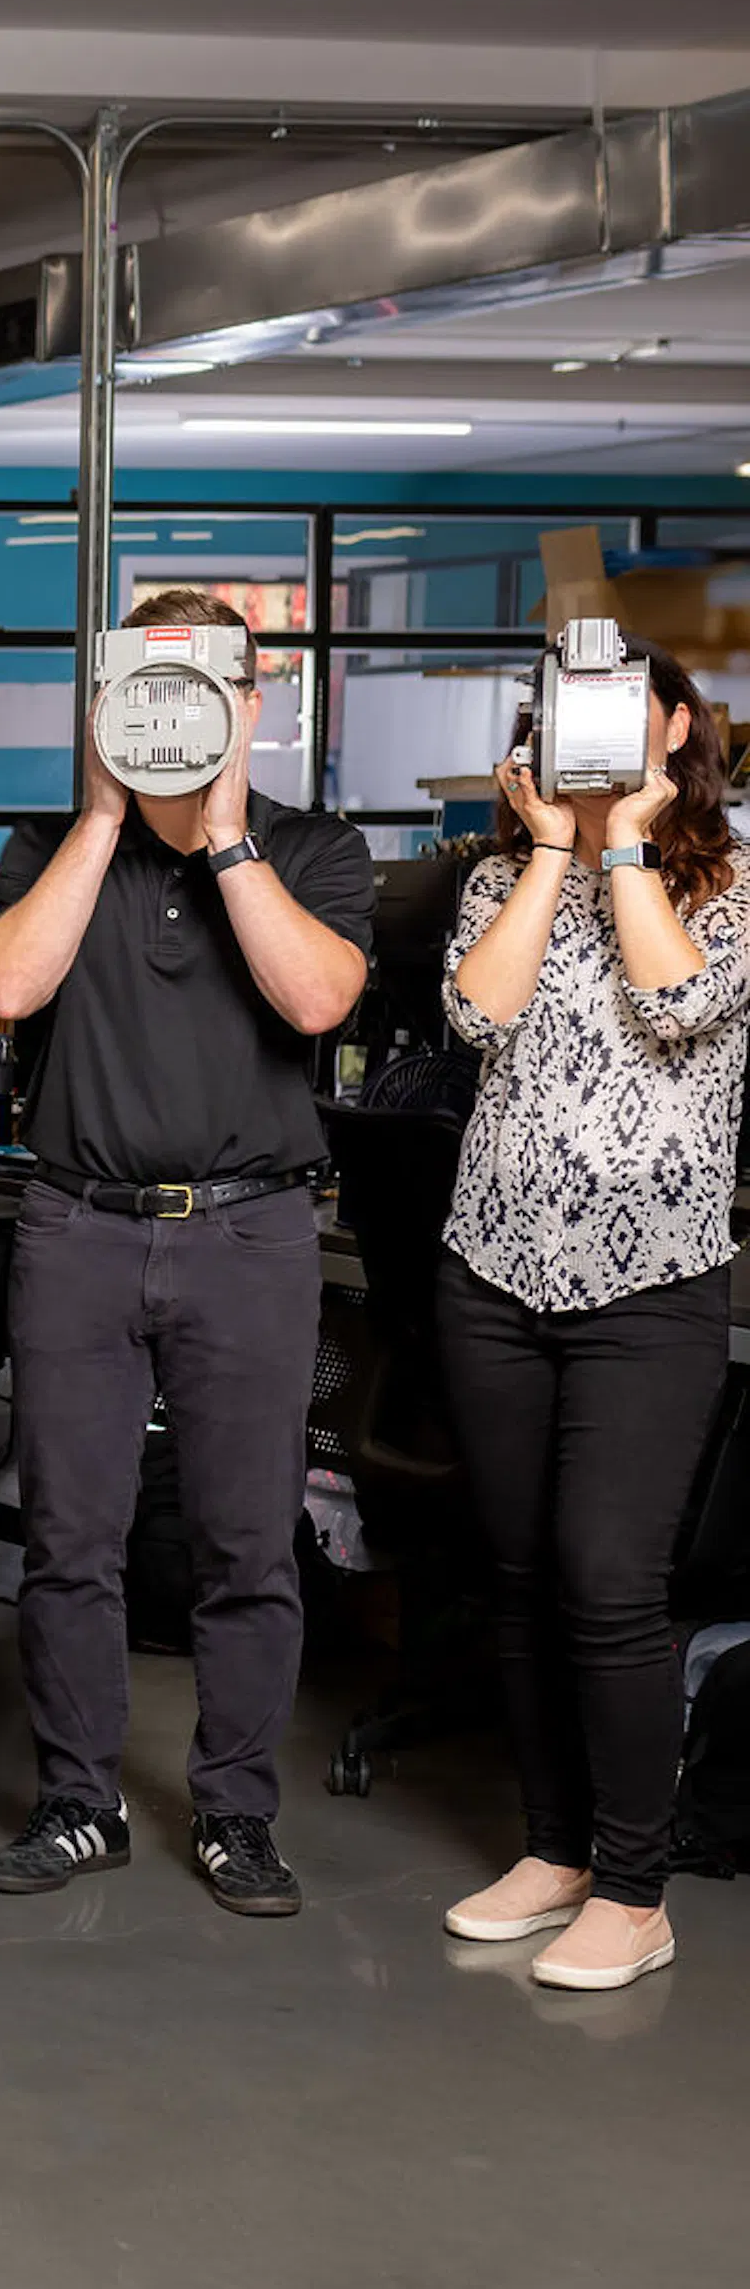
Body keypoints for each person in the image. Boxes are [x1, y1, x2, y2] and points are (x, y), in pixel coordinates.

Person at [0, 589, 373, 1916]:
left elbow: (316, 998)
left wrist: (231, 837)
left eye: (203, 691)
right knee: (67, 1541)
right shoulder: (53, 841)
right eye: (140, 692)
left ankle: (238, 1817)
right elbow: (8, 987)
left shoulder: (314, 849)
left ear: (251, 705)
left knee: (247, 1548)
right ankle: (80, 1803)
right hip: (79, 1225)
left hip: (250, 1236)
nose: (170, 716)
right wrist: (101, 814)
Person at [432, 654, 750, 1989]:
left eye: (627, 708)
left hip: (653, 1284)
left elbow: (679, 1000)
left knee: (610, 1581)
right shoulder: (503, 878)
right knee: (516, 1577)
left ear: (676, 726)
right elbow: (472, 1012)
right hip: (493, 1269)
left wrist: (623, 843)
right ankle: (554, 1848)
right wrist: (556, 852)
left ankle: (635, 1886)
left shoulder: (727, 885)